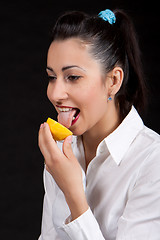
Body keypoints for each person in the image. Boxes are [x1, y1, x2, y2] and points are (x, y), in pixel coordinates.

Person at [38, 9, 160, 240]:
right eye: (52, 77)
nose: (55, 94)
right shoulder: (62, 152)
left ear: (113, 81)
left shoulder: (153, 162)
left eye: (72, 77)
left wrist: (74, 196)